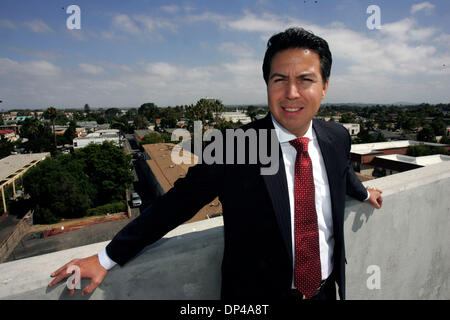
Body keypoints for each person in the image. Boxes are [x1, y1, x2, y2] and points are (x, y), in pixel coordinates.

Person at [49, 27, 383, 300]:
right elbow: (175, 205)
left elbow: (339, 172)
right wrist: (107, 257)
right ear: (267, 85)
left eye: (306, 80)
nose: (291, 93)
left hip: (327, 291)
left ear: (324, 86)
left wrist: (363, 191)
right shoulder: (234, 148)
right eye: (279, 79)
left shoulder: (336, 136)